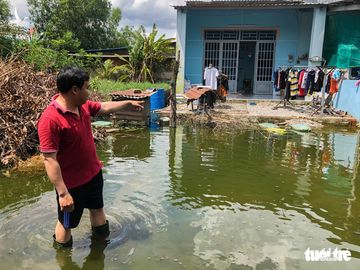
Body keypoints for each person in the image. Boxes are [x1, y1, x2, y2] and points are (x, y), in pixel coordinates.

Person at [37, 67, 144, 248]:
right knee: (66, 223)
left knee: (97, 208)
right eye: (87, 87)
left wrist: (127, 103)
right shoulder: (51, 119)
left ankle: (101, 247)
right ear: (75, 90)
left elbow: (103, 107)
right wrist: (63, 194)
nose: (90, 91)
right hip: (71, 184)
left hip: (93, 174)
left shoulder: (83, 105)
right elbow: (49, 159)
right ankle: (64, 259)